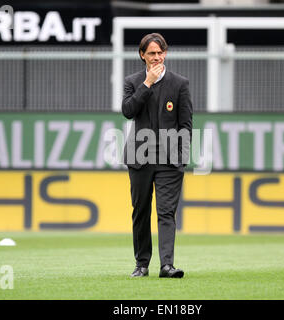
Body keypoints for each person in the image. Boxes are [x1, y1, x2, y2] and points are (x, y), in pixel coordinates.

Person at [122, 33, 193, 278]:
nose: (156, 57)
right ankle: (142, 264)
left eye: (160, 53)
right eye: (151, 53)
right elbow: (128, 111)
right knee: (141, 210)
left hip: (169, 160)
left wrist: (181, 156)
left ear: (166, 53)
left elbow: (186, 124)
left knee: (165, 212)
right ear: (142, 55)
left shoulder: (180, 83)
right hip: (140, 157)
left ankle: (167, 265)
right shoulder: (133, 82)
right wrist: (147, 84)